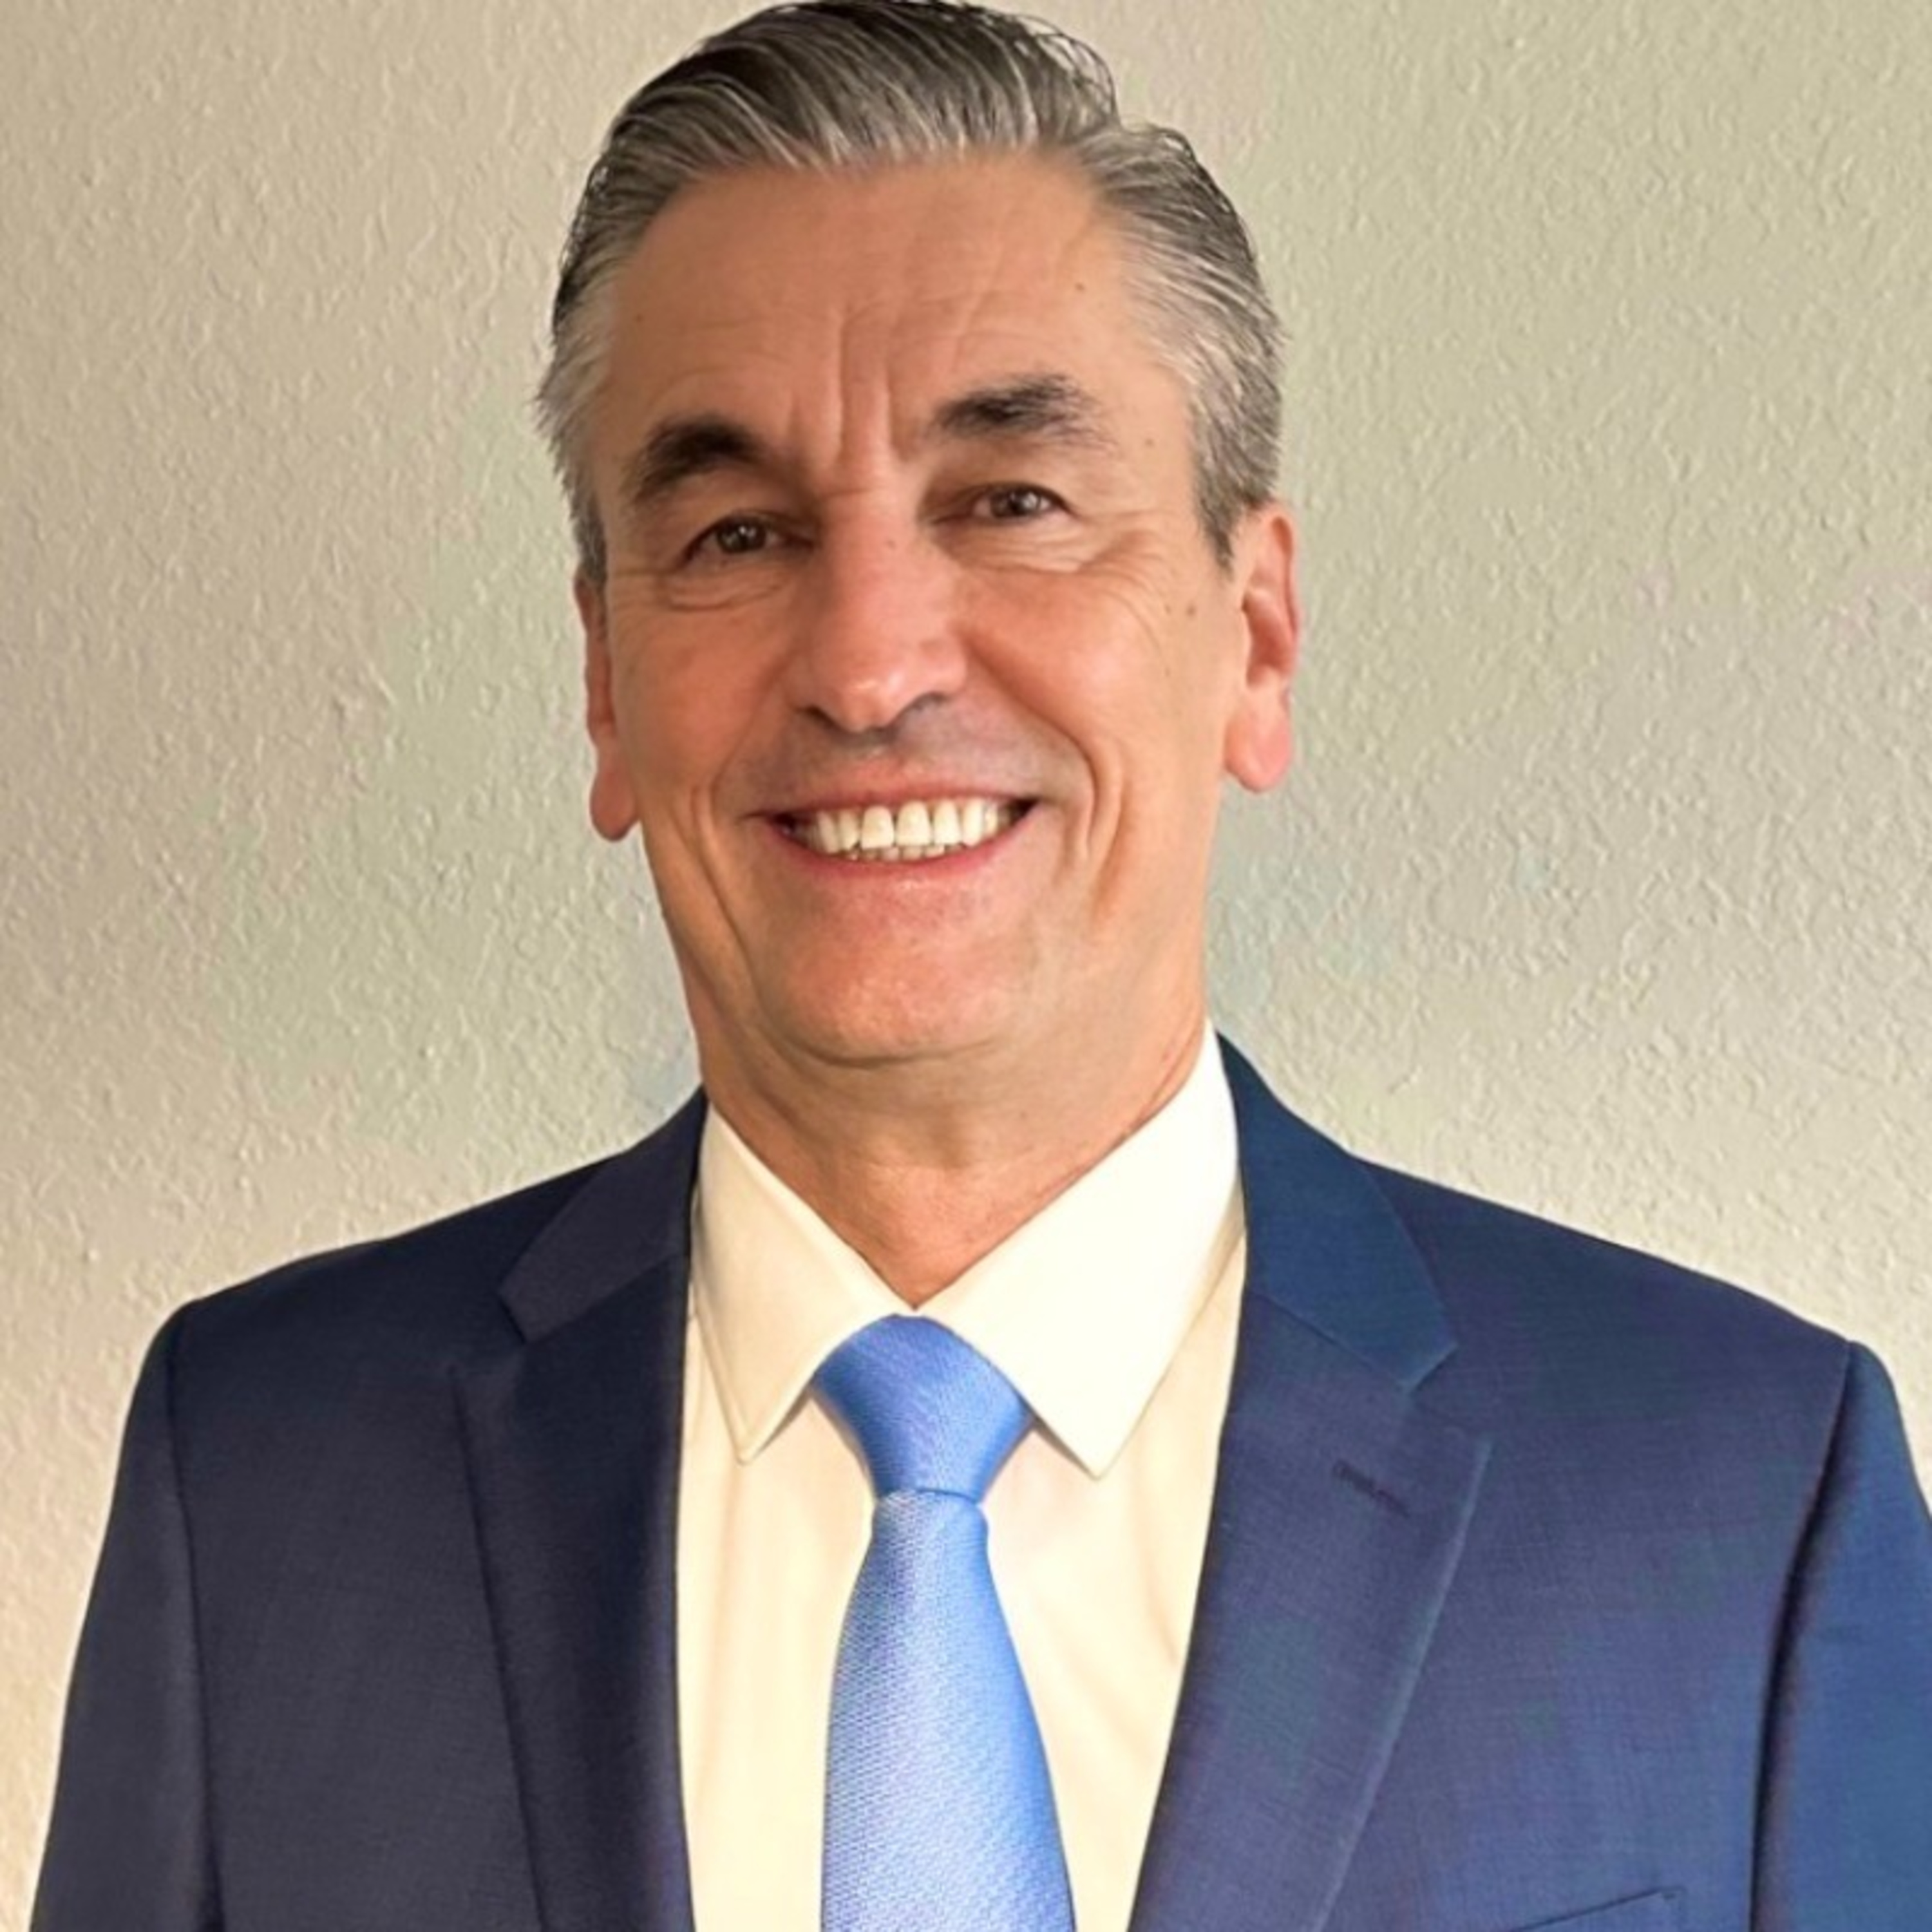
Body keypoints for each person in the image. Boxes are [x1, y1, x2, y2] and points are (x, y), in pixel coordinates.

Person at [33, 2, 1932, 1927]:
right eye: (737, 532)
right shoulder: (257, 1475)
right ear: (605, 681)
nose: (871, 666)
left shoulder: (1747, 1501)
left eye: (1012, 505)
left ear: (1257, 638)